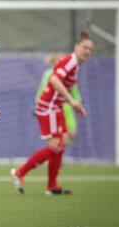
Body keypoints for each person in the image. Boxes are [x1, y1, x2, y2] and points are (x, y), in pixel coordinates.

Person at [10, 31, 93, 196]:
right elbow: (54, 80)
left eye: (91, 49)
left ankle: (52, 186)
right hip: (49, 107)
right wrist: (71, 100)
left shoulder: (74, 64)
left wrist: (75, 106)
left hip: (56, 107)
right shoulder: (71, 61)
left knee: (60, 145)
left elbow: (63, 87)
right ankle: (19, 172)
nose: (88, 51)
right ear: (77, 47)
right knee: (55, 146)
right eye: (85, 47)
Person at [36, 53, 83, 143]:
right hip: (52, 110)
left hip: (66, 110)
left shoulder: (70, 75)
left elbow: (76, 97)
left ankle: (57, 154)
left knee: (68, 137)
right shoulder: (48, 74)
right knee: (55, 143)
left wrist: (74, 103)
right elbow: (42, 95)